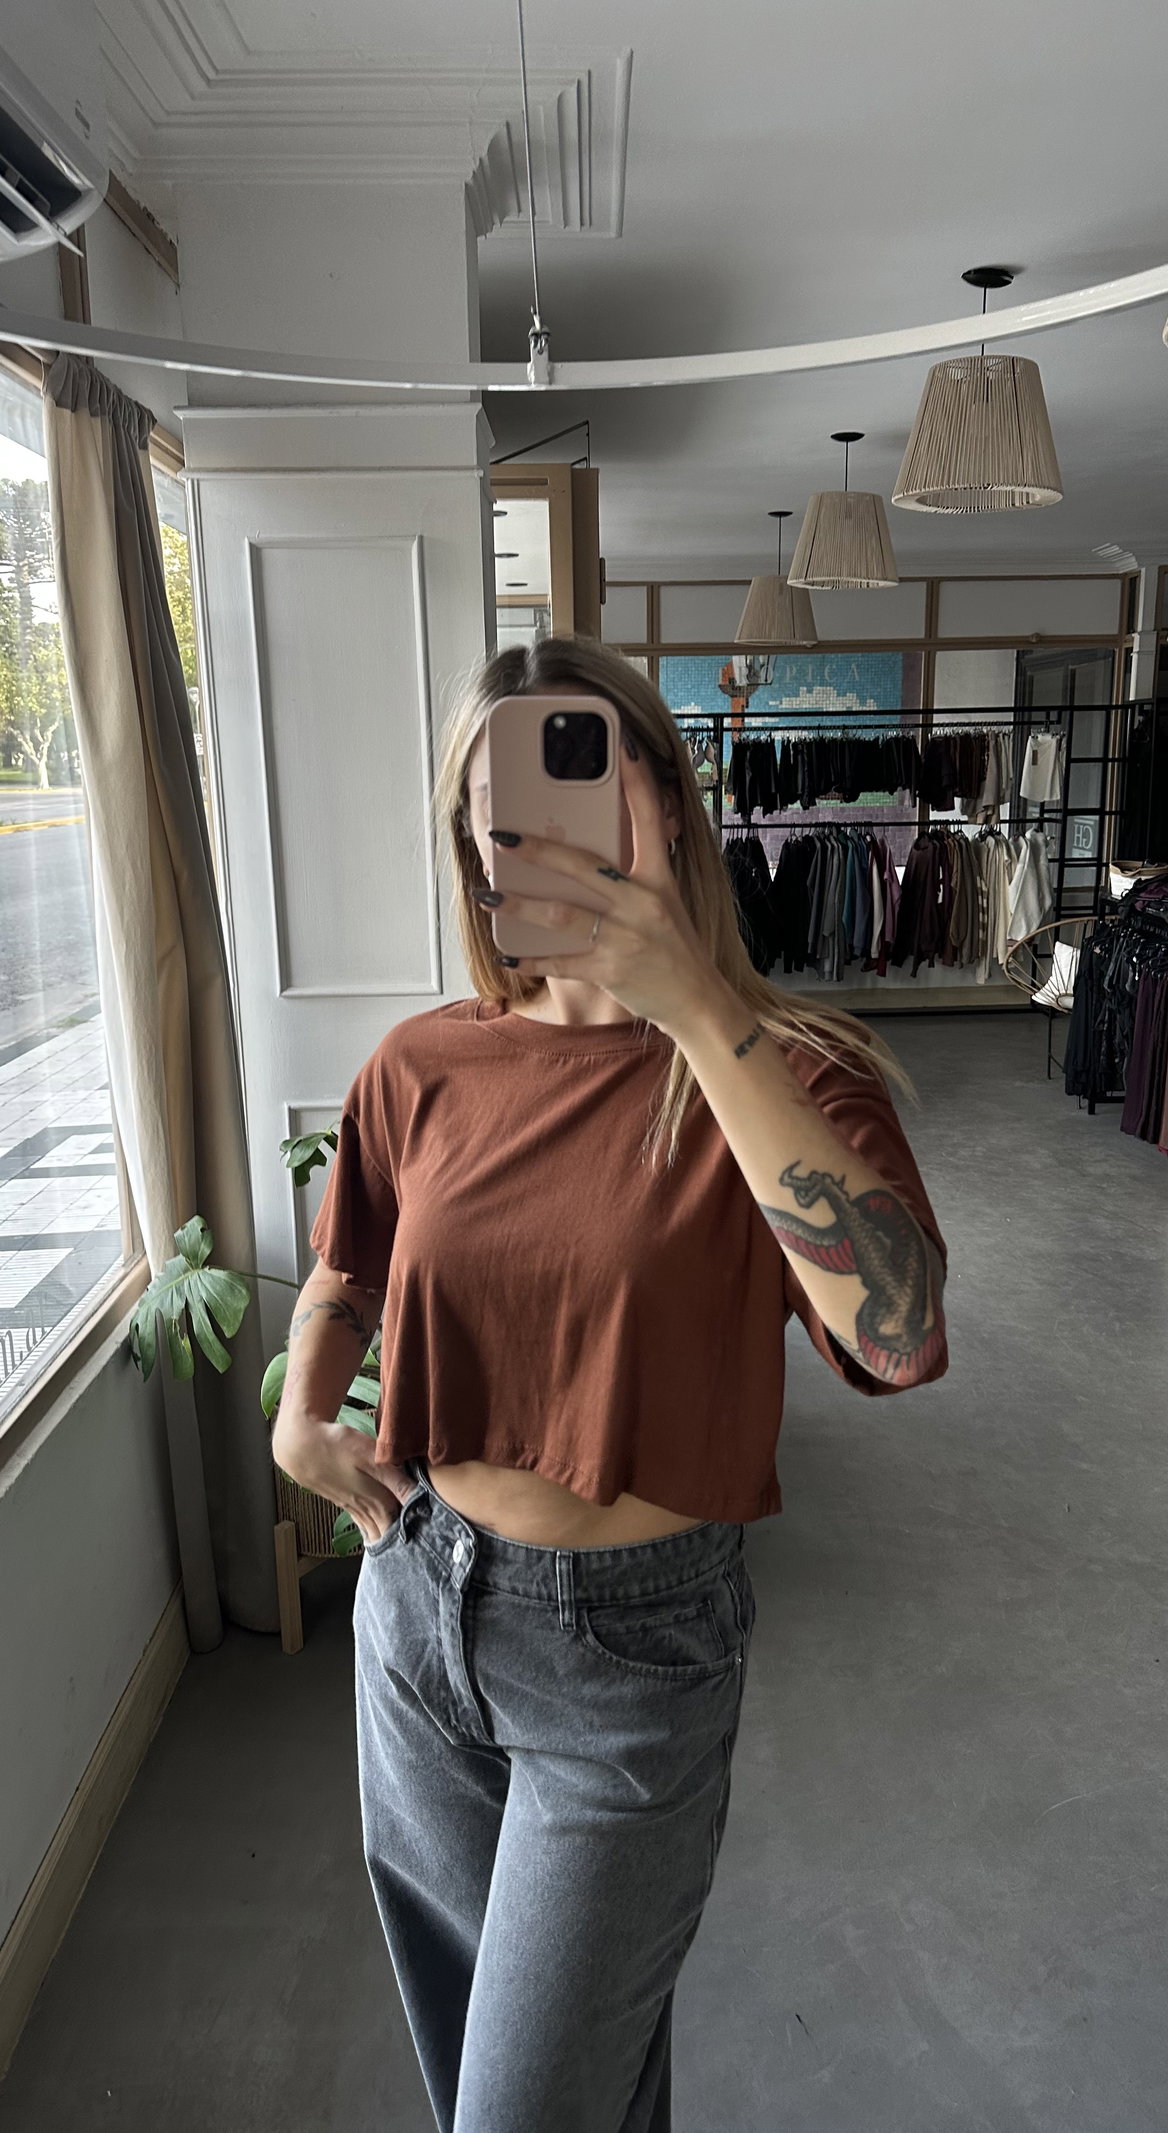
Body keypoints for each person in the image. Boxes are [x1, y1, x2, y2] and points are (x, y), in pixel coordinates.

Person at [271, 635, 949, 2133]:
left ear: (665, 804)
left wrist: (697, 1008)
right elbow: (351, 1259)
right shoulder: (422, 1063)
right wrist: (303, 1413)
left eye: (580, 788)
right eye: (494, 817)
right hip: (416, 1610)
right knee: (538, 2081)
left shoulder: (786, 1071)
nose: (535, 839)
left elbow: (898, 1336)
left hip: (630, 1666)